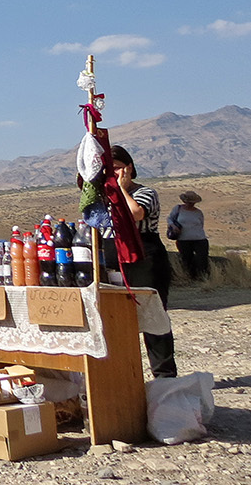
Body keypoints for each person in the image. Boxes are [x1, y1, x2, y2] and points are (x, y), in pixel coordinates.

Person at [109, 145, 177, 377]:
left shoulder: (145, 193)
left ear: (128, 168)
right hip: (114, 257)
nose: (113, 173)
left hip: (145, 258)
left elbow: (136, 213)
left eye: (116, 168)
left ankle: (164, 375)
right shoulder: (104, 197)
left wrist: (121, 189)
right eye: (108, 169)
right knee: (116, 316)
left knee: (154, 316)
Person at [167, 191, 210, 282]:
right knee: (187, 259)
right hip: (183, 240)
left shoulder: (198, 212)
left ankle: (203, 278)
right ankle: (191, 278)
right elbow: (170, 219)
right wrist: (173, 226)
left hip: (199, 239)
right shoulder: (178, 209)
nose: (190, 204)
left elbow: (201, 225)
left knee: (202, 259)